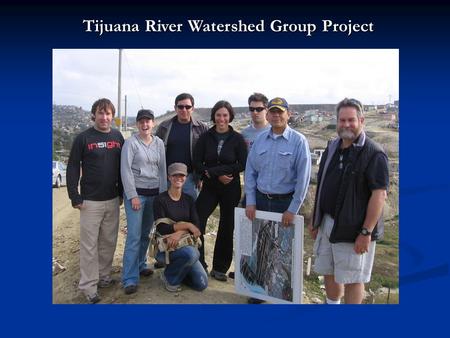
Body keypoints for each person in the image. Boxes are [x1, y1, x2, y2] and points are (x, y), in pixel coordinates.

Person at [308, 98, 389, 304]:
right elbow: (324, 183)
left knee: (354, 278)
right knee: (328, 270)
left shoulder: (374, 153)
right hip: (327, 223)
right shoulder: (332, 147)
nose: (346, 125)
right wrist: (316, 219)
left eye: (351, 120)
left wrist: (366, 232)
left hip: (355, 230)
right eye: (342, 120)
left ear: (361, 120)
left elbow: (379, 195)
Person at [245, 97, 311, 303]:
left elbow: (303, 179)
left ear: (288, 114)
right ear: (268, 114)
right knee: (262, 247)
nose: (276, 115)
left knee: (284, 250)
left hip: (285, 204)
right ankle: (260, 291)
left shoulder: (299, 141)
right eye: (272, 111)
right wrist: (251, 201)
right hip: (262, 202)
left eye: (280, 112)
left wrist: (293, 209)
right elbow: (250, 172)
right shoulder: (260, 141)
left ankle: (282, 293)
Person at [66, 98, 124, 304]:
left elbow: (123, 168)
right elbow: (72, 167)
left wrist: (122, 193)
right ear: (94, 115)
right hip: (90, 202)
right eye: (101, 113)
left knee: (108, 242)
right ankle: (89, 286)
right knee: (89, 245)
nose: (105, 117)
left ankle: (104, 276)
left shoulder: (118, 137)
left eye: (108, 113)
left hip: (113, 199)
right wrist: (75, 196)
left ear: (112, 116)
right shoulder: (83, 138)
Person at [194, 100, 247, 281]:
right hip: (210, 186)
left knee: (227, 226)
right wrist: (216, 175)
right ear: (214, 116)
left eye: (225, 115)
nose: (221, 119)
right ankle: (198, 262)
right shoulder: (205, 137)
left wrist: (222, 172)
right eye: (218, 115)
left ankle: (220, 268)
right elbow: (197, 163)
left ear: (230, 116)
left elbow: (242, 164)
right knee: (198, 219)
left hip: (230, 188)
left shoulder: (237, 139)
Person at [120, 109, 167, 295]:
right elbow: (125, 171)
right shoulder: (130, 144)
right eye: (141, 121)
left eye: (148, 121)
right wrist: (132, 196)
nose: (145, 124)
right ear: (137, 124)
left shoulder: (159, 144)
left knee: (146, 233)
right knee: (133, 236)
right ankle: (129, 278)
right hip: (137, 196)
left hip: (155, 194)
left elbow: (162, 170)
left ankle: (140, 265)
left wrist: (163, 195)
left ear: (153, 123)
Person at [153, 163, 208, 292]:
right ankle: (170, 278)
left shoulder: (189, 200)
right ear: (169, 177)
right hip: (167, 248)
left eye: (182, 175)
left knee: (201, 284)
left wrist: (180, 232)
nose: (178, 178)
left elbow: (197, 227)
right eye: (175, 175)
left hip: (185, 244)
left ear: (186, 177)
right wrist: (188, 225)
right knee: (193, 253)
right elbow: (162, 228)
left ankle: (179, 271)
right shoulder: (160, 200)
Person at [155, 93, 208, 200]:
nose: (184, 109)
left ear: (192, 108)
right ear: (175, 108)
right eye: (180, 106)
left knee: (190, 212)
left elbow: (206, 153)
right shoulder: (164, 127)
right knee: (167, 213)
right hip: (167, 178)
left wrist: (201, 177)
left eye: (188, 107)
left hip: (190, 179)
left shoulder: (201, 128)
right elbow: (154, 150)